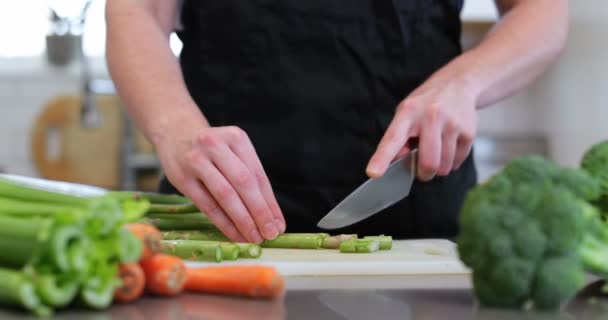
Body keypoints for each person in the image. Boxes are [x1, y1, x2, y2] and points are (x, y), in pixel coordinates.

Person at [105, 0, 569, 243]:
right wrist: (176, 127)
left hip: (418, 216)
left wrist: (465, 84)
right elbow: (136, 9)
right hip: (217, 217)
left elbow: (542, 8)